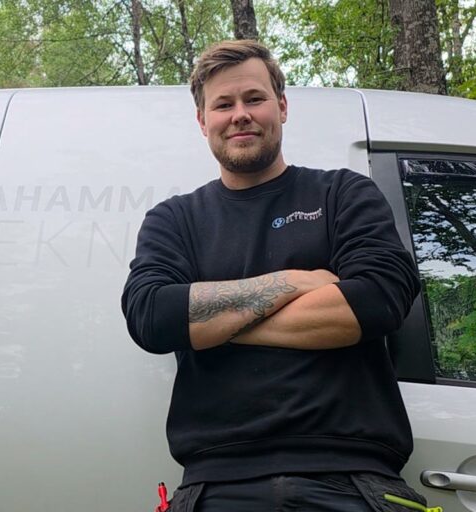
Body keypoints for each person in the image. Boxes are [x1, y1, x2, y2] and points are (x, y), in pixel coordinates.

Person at [121, 40, 428, 511]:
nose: (240, 115)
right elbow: (152, 318)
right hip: (216, 485)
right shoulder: (174, 219)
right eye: (223, 104)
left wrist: (206, 327)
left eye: (254, 98)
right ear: (203, 121)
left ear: (281, 107)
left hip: (352, 481)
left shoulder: (343, 194)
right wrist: (299, 282)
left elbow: (378, 300)